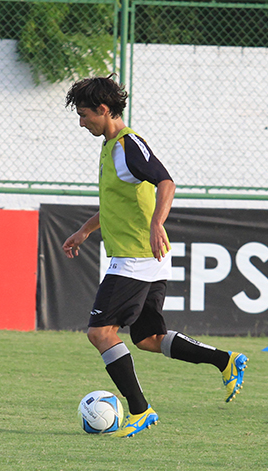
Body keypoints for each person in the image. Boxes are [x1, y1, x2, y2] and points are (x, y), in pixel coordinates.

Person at [62, 76, 247, 438]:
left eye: (84, 115)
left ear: (103, 110)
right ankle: (224, 360)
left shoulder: (128, 145)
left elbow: (166, 181)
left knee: (100, 333)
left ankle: (140, 409)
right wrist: (85, 230)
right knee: (147, 337)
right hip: (146, 258)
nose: (81, 122)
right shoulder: (111, 146)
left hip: (135, 258)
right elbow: (119, 204)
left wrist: (157, 223)